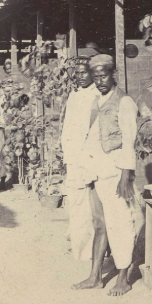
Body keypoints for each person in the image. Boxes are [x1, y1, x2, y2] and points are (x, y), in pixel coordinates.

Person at [71, 54, 139, 297]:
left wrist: (125, 176)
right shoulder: (96, 102)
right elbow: (92, 138)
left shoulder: (125, 102)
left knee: (120, 223)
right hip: (97, 172)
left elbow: (129, 142)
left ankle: (123, 277)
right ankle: (95, 277)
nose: (100, 81)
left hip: (115, 173)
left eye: (104, 76)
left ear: (113, 75)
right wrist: (86, 171)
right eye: (96, 77)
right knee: (99, 224)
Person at [60, 57, 101, 260]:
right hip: (73, 157)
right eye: (77, 72)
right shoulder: (74, 96)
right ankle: (79, 247)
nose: (80, 76)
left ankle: (90, 250)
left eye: (84, 72)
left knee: (89, 204)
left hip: (90, 158)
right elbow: (67, 126)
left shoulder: (98, 96)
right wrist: (66, 152)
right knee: (76, 202)